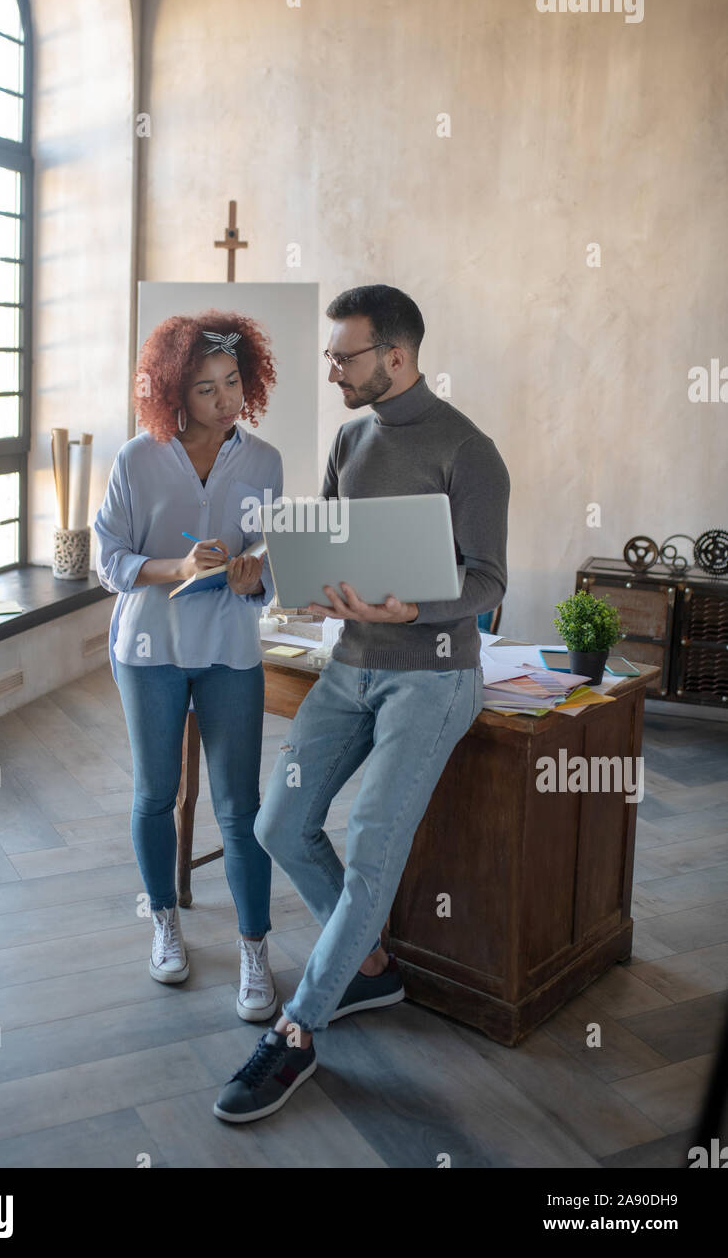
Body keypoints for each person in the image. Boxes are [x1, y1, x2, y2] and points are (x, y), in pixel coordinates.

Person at [214, 284, 510, 1123]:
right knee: (278, 822)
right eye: (331, 355)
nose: (333, 369)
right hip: (351, 665)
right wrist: (298, 583)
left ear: (397, 355)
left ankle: (298, 1030)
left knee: (373, 848)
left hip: (436, 674)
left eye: (344, 356)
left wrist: (412, 610)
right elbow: (331, 544)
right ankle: (371, 969)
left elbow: (488, 581)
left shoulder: (470, 452)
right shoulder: (350, 439)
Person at [94, 311, 283, 1022]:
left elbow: (271, 553)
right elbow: (108, 558)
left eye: (233, 382)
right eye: (206, 388)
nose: (225, 400)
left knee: (241, 809)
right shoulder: (136, 460)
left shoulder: (264, 462)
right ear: (174, 392)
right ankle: (165, 922)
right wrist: (173, 565)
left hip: (231, 647)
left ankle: (254, 948)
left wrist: (253, 574)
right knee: (156, 794)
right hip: (150, 649)